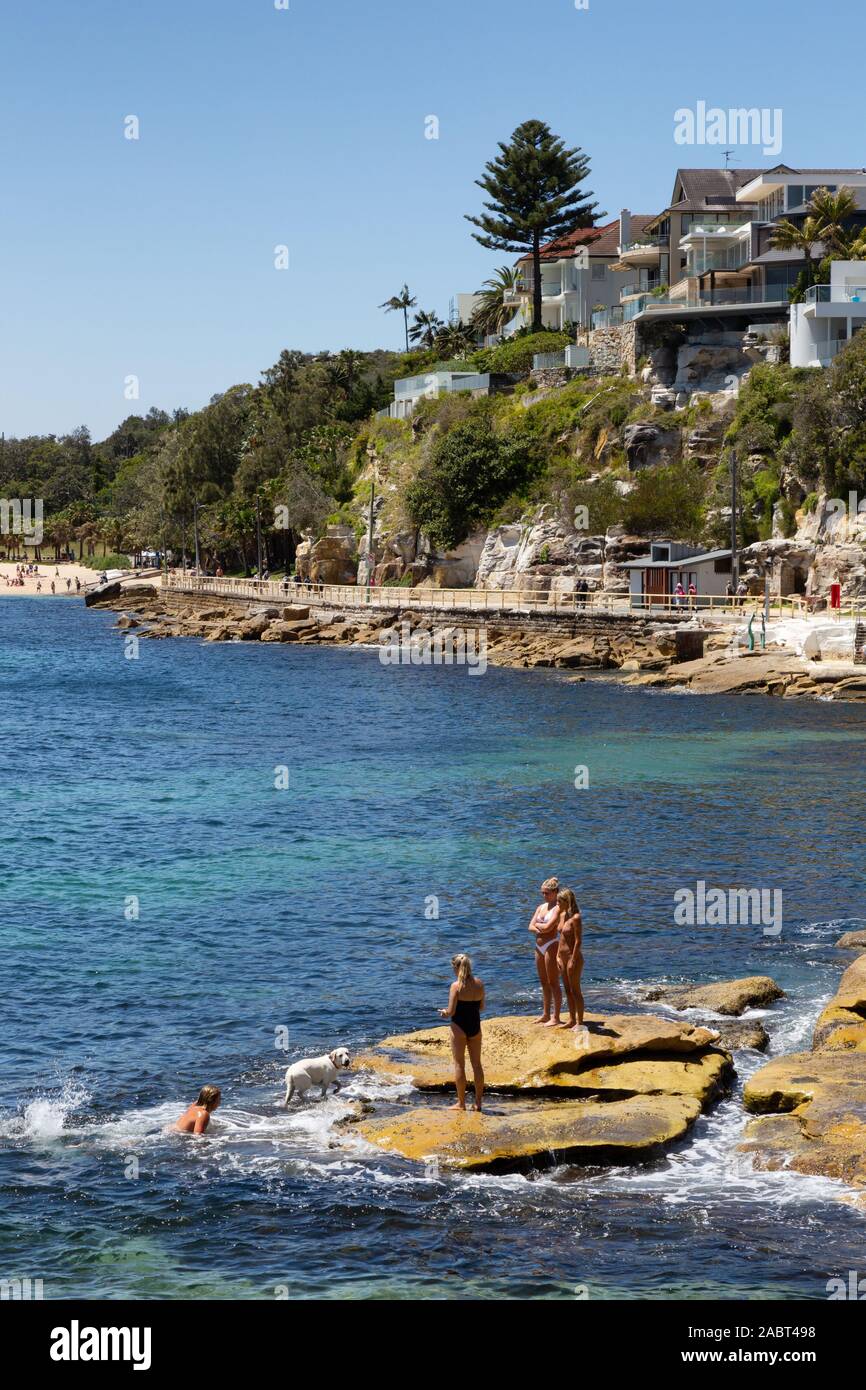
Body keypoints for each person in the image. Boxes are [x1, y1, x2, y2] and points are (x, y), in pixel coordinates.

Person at [439, 954, 484, 1111]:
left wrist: (444, 1013)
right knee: (477, 1065)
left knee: (459, 1064)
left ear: (456, 968)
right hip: (475, 1026)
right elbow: (482, 1007)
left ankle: (461, 1103)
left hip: (459, 1027)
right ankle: (478, 1103)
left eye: (453, 968)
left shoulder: (455, 986)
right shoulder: (479, 983)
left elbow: (451, 1011)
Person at [528, 876, 562, 1026]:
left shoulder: (559, 907)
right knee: (543, 982)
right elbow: (530, 926)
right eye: (542, 893)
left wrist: (539, 927)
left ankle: (556, 1016)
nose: (544, 896)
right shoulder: (540, 907)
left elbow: (549, 927)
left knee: (553, 982)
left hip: (551, 945)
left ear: (555, 892)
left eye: (547, 893)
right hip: (539, 947)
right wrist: (541, 927)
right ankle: (546, 1014)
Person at [556, 888, 584, 1030]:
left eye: (559, 901)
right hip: (562, 957)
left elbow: (578, 941)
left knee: (575, 990)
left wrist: (573, 959)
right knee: (567, 990)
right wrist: (557, 957)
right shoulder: (562, 915)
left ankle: (580, 1022)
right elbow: (560, 938)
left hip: (573, 958)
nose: (557, 904)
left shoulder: (576, 918)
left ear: (567, 902)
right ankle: (571, 1019)